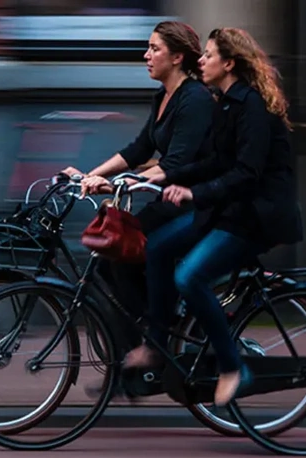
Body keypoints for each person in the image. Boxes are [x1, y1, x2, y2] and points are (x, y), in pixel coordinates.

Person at [122, 27, 304, 408]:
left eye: (208, 55)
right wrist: (168, 176)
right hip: (227, 209)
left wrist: (193, 193)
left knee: (189, 276)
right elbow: (215, 161)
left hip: (255, 217)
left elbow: (246, 173)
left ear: (229, 63)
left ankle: (234, 367)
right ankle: (157, 345)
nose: (200, 61)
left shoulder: (251, 106)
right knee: (156, 247)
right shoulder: (225, 102)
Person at [61, 20, 216, 346]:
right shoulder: (163, 95)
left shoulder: (195, 99)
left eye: (154, 49)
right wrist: (93, 174)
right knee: (109, 260)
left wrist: (119, 184)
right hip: (169, 201)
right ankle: (145, 346)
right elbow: (139, 149)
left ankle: (159, 337)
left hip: (197, 203)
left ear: (176, 57)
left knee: (126, 254)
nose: (146, 55)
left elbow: (175, 164)